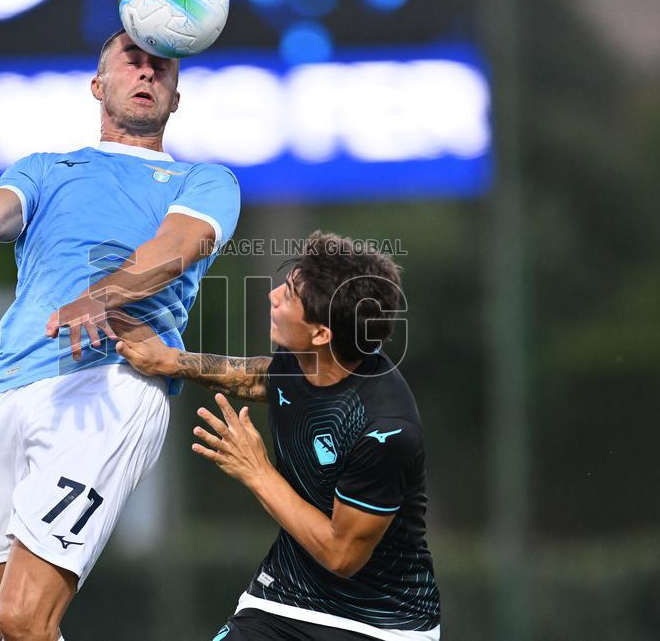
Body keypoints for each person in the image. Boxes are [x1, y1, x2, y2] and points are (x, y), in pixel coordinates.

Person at [0, 29, 240, 641]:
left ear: (177, 98)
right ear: (99, 86)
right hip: (13, 389)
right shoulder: (46, 169)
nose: (148, 73)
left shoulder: (204, 182)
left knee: (24, 616)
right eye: (134, 61)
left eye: (162, 68)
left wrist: (100, 296)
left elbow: (177, 248)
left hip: (107, 387)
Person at [117, 232, 442, 640]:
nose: (273, 296)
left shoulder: (385, 431)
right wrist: (171, 361)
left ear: (322, 333)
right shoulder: (305, 357)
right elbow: (263, 377)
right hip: (283, 598)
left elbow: (341, 554)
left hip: (381, 623)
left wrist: (257, 471)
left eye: (289, 295)